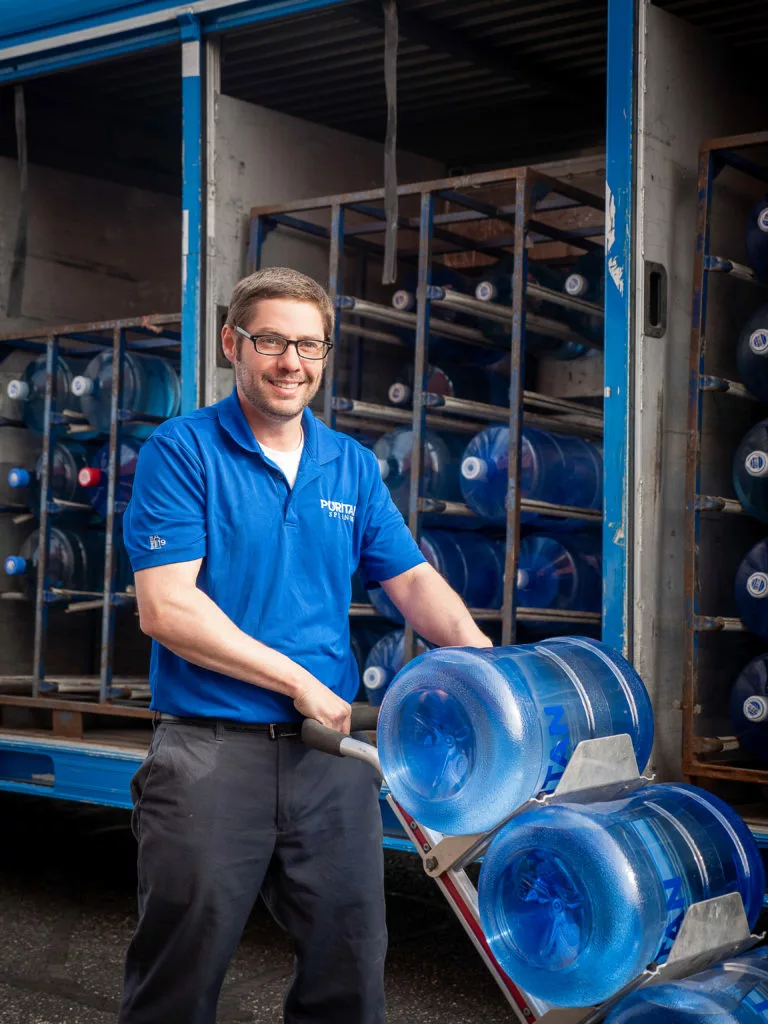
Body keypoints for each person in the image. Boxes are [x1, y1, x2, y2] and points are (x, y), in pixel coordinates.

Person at [117, 266, 492, 1024]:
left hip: (331, 762)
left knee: (350, 970)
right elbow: (166, 607)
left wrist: (491, 672)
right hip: (210, 754)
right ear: (234, 343)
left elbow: (413, 582)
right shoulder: (182, 451)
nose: (292, 362)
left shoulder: (348, 464)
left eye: (310, 346)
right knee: (179, 979)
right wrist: (294, 678)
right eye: (272, 341)